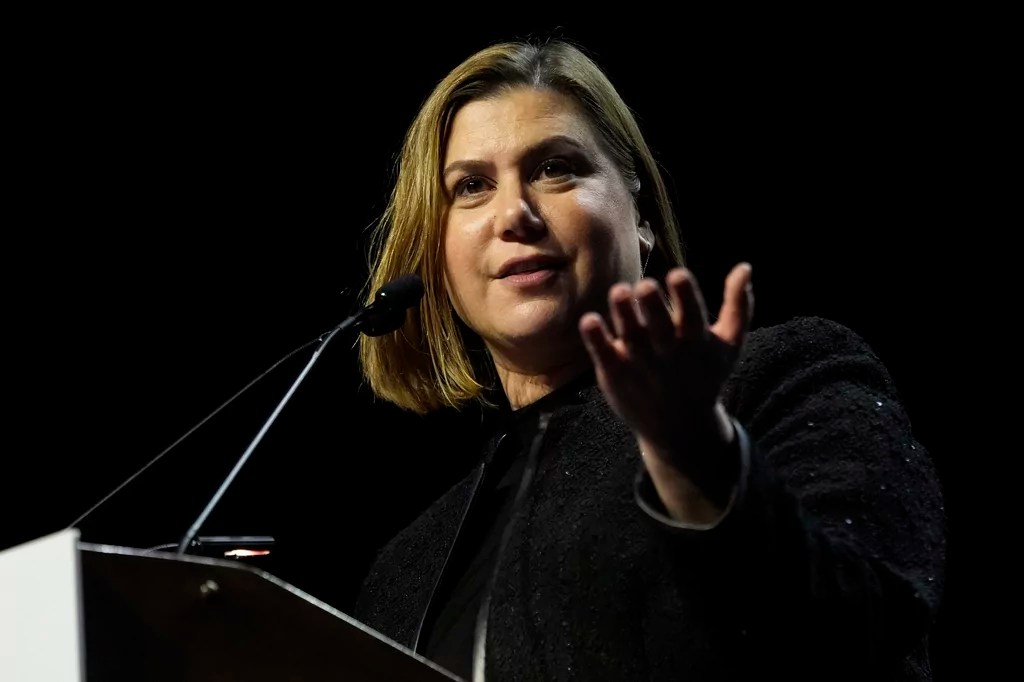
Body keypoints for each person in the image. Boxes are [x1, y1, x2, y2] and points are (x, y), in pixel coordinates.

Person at [352, 37, 946, 681]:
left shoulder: (782, 380)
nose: (513, 215)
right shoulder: (404, 568)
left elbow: (864, 631)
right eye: (470, 187)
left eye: (556, 168)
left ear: (639, 214)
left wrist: (701, 465)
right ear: (436, 252)